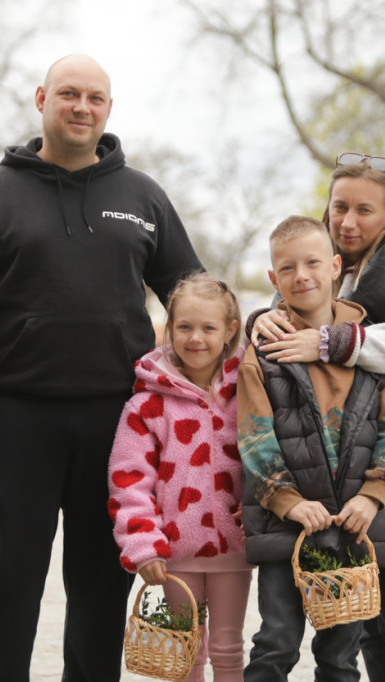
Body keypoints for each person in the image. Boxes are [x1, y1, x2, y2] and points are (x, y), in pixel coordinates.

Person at [0, 54, 203, 680]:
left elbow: (193, 295)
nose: (82, 107)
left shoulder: (143, 197)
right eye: (69, 94)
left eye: (96, 98)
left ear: (108, 109)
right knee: (7, 595)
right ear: (42, 99)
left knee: (101, 596)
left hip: (118, 426)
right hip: (16, 422)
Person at [250, 153, 385, 681]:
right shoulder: (323, 269)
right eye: (338, 207)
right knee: (362, 620)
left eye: (364, 209)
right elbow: (284, 321)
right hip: (343, 479)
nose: (347, 221)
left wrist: (326, 342)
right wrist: (261, 323)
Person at [238, 215, 385, 682]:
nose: (303, 276)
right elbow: (254, 438)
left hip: (352, 527)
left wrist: (373, 494)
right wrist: (289, 503)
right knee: (275, 643)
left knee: (340, 655)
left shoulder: (374, 344)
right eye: (288, 268)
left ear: (336, 266)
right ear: (274, 280)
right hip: (287, 529)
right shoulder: (262, 354)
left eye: (313, 262)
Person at [108, 273, 252, 682]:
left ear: (230, 331)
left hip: (235, 547)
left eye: (208, 328)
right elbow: (128, 481)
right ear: (169, 328)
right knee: (187, 651)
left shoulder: (250, 391)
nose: (196, 338)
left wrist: (261, 508)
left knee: (228, 647)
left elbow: (268, 454)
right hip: (174, 550)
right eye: (184, 327)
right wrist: (144, 546)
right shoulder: (147, 404)